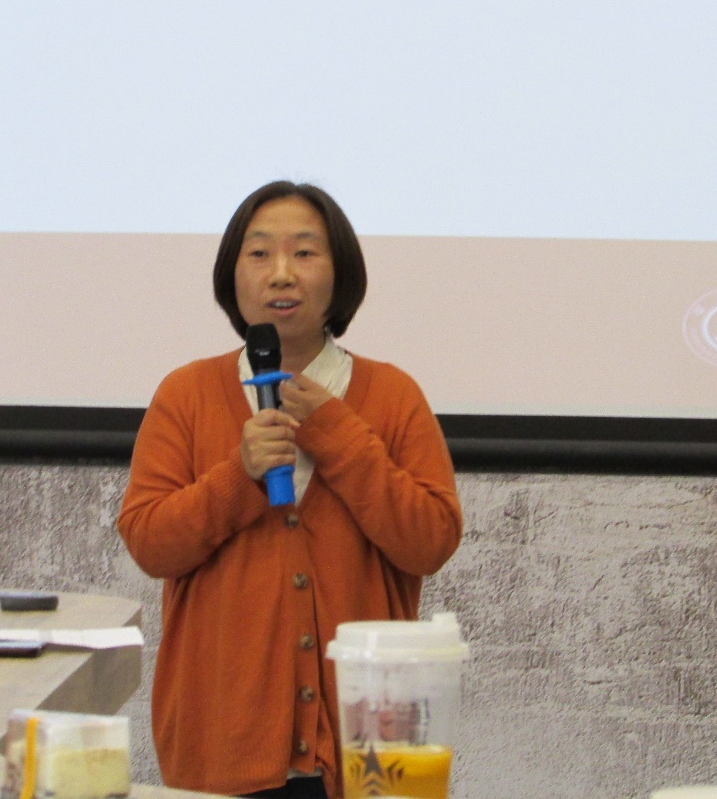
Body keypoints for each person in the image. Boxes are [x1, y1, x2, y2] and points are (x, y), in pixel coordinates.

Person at [117, 181, 462, 799]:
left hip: (370, 752)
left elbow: (430, 541)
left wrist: (336, 433)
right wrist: (238, 475)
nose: (282, 273)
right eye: (259, 254)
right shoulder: (186, 394)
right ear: (232, 275)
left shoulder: (393, 394)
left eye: (304, 252)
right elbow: (150, 543)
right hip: (223, 742)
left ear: (340, 274)